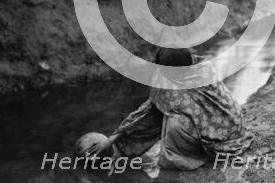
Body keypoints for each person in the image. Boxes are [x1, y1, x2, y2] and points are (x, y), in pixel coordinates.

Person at [76, 47, 253, 170]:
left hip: (222, 136)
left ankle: (183, 161)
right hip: (235, 123)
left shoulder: (185, 80)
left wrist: (113, 139)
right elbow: (147, 111)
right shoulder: (202, 66)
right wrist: (113, 139)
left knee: (173, 121)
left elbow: (149, 112)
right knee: (162, 112)